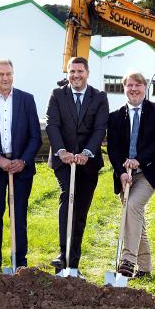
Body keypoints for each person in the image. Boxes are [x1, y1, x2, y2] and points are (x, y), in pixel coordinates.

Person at [0, 59, 42, 270]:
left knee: (19, 215)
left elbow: (35, 137)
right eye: (1, 74)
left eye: (9, 74)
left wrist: (23, 161)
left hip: (20, 168)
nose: (5, 78)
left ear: (13, 75)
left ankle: (19, 262)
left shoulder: (26, 100)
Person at [45, 56, 109, 275]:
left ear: (87, 73)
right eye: (72, 72)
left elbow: (100, 128)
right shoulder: (57, 95)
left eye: (80, 71)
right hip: (64, 161)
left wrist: (87, 152)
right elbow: (52, 124)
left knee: (80, 209)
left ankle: (73, 262)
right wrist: (61, 151)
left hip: (88, 162)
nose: (75, 76)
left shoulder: (99, 97)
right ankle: (62, 255)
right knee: (67, 197)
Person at [107, 71, 155, 278]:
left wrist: (139, 160)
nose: (134, 89)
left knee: (132, 206)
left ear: (145, 87)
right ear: (124, 88)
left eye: (138, 85)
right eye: (129, 85)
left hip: (148, 171)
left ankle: (128, 260)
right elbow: (113, 148)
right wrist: (120, 172)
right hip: (125, 175)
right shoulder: (115, 116)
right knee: (135, 217)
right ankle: (145, 268)